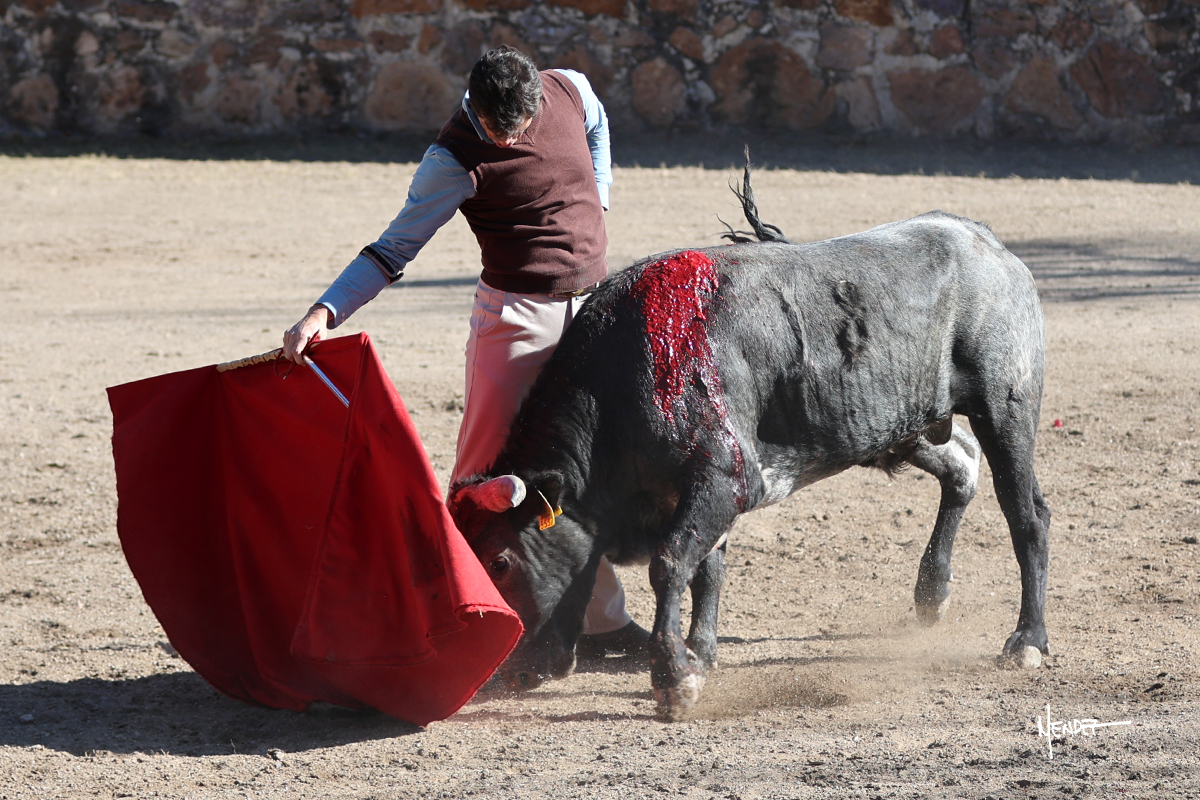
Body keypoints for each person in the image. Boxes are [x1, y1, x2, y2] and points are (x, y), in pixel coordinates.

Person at [281, 46, 647, 659]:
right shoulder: (450, 160)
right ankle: (443, 616)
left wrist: (600, 190)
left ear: (537, 101)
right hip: (516, 322)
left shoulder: (569, 88)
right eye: (498, 130)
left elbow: (597, 121)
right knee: (479, 482)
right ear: (474, 105)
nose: (510, 140)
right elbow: (391, 250)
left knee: (585, 472)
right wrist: (324, 312)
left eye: (520, 127)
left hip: (594, 314)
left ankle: (602, 624)